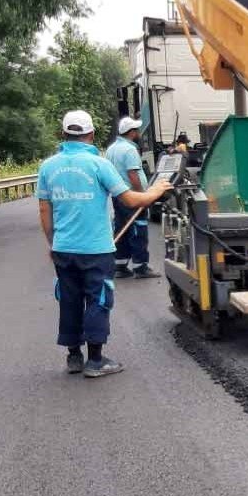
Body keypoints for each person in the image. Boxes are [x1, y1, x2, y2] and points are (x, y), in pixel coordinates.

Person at [36, 110, 173, 378]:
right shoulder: (98, 165)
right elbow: (131, 201)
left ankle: (74, 356)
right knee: (98, 300)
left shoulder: (48, 166)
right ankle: (96, 361)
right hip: (96, 250)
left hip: (64, 249)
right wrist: (156, 191)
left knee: (69, 299)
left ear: (63, 134)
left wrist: (53, 243)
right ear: (91, 134)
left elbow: (44, 211)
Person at [105, 116, 158, 279]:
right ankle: (140, 266)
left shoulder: (111, 149)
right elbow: (133, 174)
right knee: (137, 229)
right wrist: (142, 195)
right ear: (132, 132)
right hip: (132, 195)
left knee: (121, 227)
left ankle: (120, 265)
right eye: (136, 130)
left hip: (118, 196)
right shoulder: (129, 150)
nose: (138, 132)